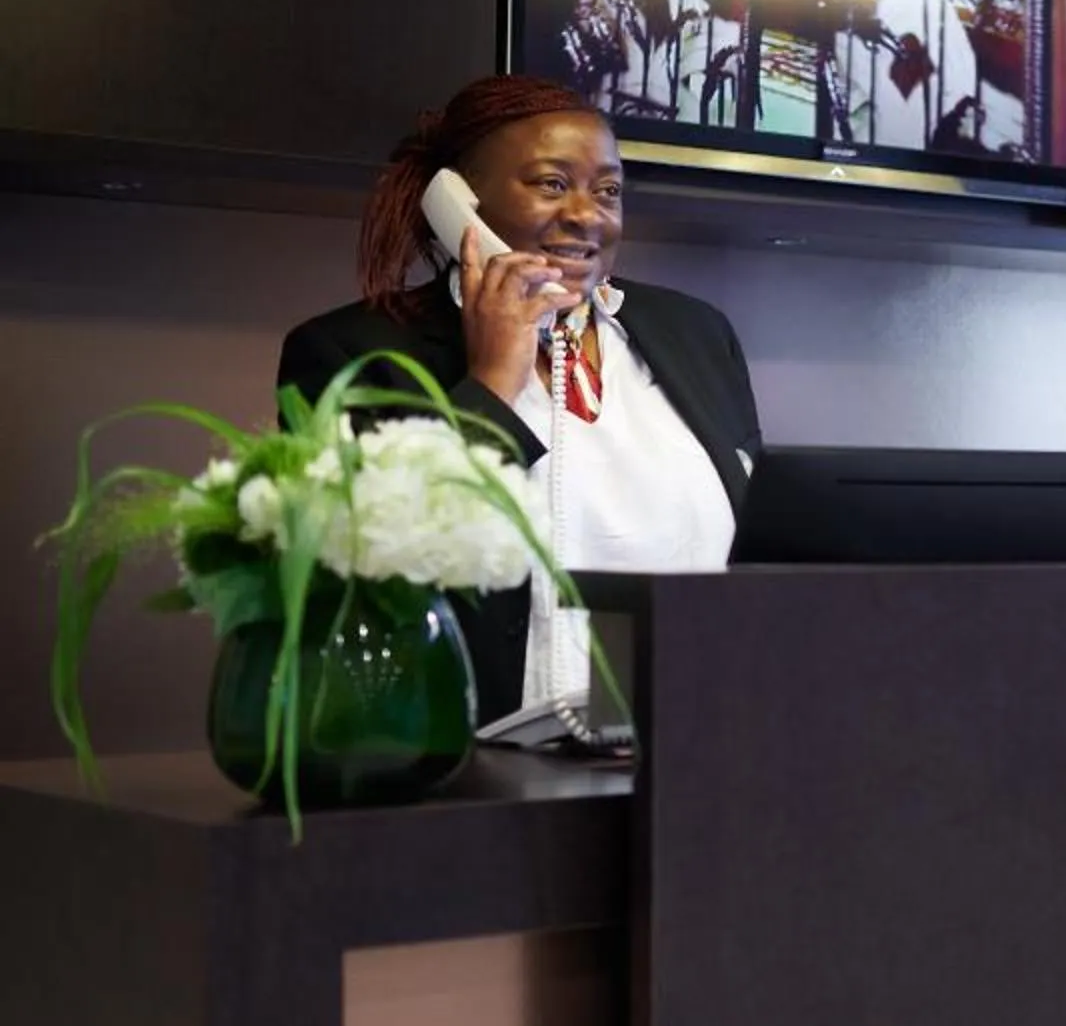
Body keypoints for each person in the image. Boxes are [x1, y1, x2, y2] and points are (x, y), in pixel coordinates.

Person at [278, 74, 762, 719]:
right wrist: (492, 382)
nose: (587, 215)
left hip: (705, 733)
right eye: (551, 184)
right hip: (488, 765)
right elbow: (376, 579)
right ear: (458, 203)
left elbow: (757, 547)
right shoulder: (350, 354)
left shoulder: (697, 333)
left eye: (609, 190)